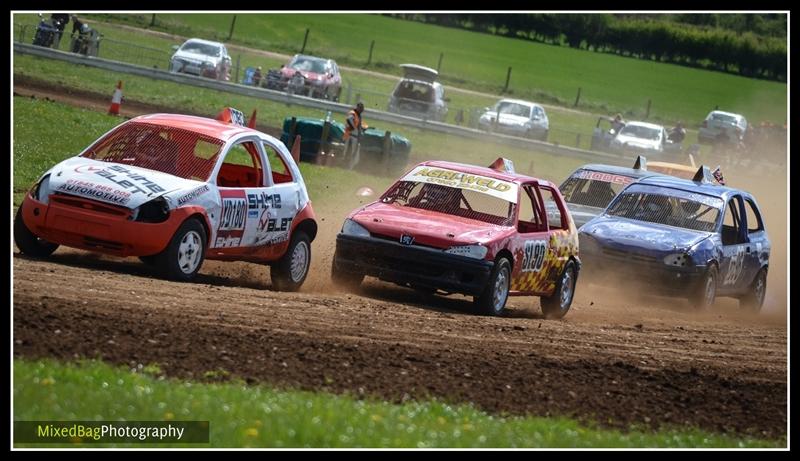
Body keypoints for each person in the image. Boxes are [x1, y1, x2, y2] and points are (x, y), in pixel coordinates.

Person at [342, 102, 367, 170]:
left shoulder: (358, 115)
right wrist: (354, 128)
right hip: (350, 135)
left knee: (352, 152)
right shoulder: (353, 113)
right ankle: (344, 165)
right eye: (360, 108)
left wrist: (361, 129)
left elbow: (357, 124)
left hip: (354, 136)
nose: (361, 110)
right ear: (357, 107)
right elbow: (349, 119)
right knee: (347, 152)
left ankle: (349, 167)